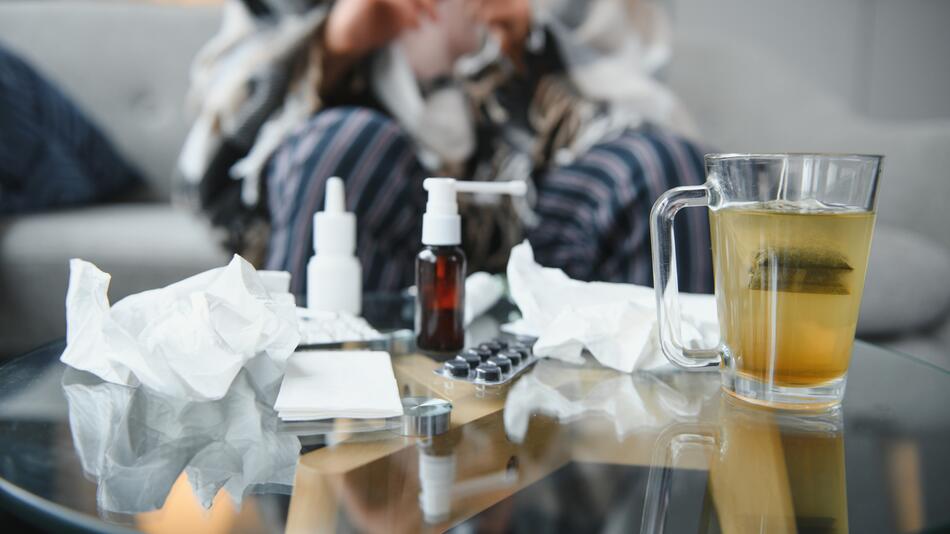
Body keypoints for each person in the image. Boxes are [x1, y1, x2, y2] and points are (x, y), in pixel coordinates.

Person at [178, 0, 713, 296]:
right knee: (341, 155)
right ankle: (319, 449)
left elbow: (632, 54)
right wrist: (335, 43)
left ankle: (659, 465)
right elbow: (224, 118)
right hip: (383, 211)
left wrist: (537, 27)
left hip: (541, 203)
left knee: (661, 173)